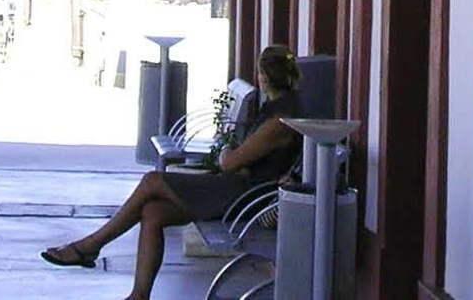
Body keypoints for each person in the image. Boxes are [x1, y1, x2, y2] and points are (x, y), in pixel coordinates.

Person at [40, 44, 305, 300]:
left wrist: (227, 153)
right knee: (153, 212)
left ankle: (91, 245)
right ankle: (138, 295)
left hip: (244, 197)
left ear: (265, 77)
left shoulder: (278, 122)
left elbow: (230, 162)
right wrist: (233, 154)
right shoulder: (279, 110)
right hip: (239, 189)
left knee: (152, 180)